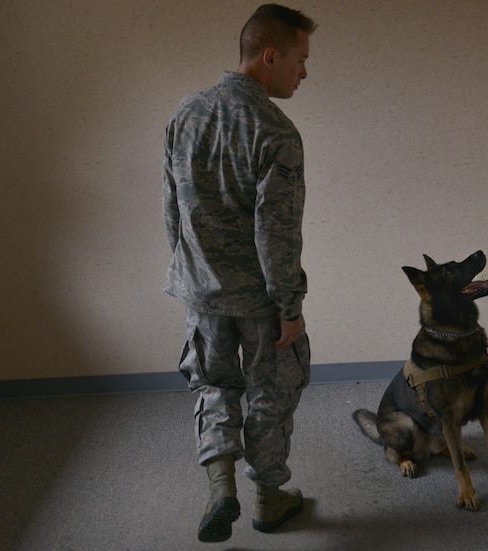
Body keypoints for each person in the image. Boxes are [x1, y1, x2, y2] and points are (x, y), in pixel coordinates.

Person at [162, 4, 317, 544]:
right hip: (259, 299)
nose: (304, 72)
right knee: (271, 394)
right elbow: (276, 234)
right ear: (269, 55)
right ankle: (269, 500)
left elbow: (172, 211)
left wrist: (190, 275)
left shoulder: (187, 112)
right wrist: (290, 308)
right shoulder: (275, 131)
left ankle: (221, 486)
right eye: (299, 59)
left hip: (200, 290)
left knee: (214, 385)